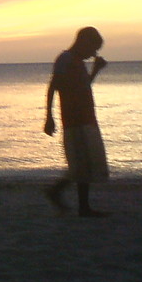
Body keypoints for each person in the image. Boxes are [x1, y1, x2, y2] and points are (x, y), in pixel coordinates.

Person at [44, 27, 109, 216]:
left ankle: (63, 196)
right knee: (81, 164)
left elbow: (82, 87)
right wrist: (49, 117)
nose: (94, 53)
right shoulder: (66, 59)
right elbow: (53, 87)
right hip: (74, 119)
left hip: (86, 117)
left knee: (84, 164)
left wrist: (95, 71)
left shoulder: (78, 63)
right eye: (93, 48)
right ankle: (80, 205)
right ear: (83, 42)